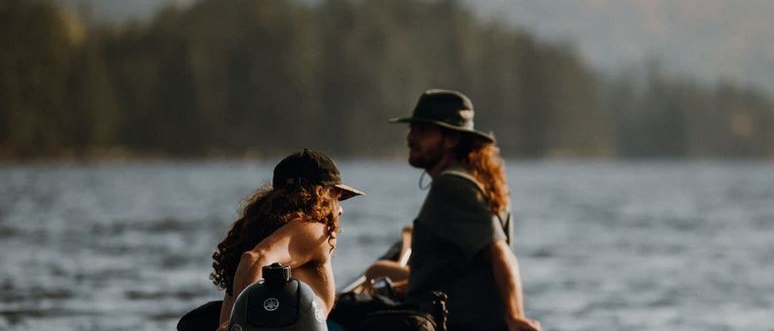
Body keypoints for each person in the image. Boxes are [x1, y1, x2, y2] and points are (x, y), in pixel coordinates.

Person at [381, 89, 541, 331]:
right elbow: (461, 267)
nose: (410, 138)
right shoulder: (478, 182)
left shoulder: (452, 186)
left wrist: (515, 317)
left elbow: (501, 254)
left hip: (441, 323)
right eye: (412, 129)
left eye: (422, 131)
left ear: (452, 139)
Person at [209, 148, 364, 330]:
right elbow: (254, 258)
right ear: (320, 195)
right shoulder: (315, 231)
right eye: (336, 197)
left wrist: (234, 322)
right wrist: (238, 324)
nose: (340, 209)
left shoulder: (254, 235)